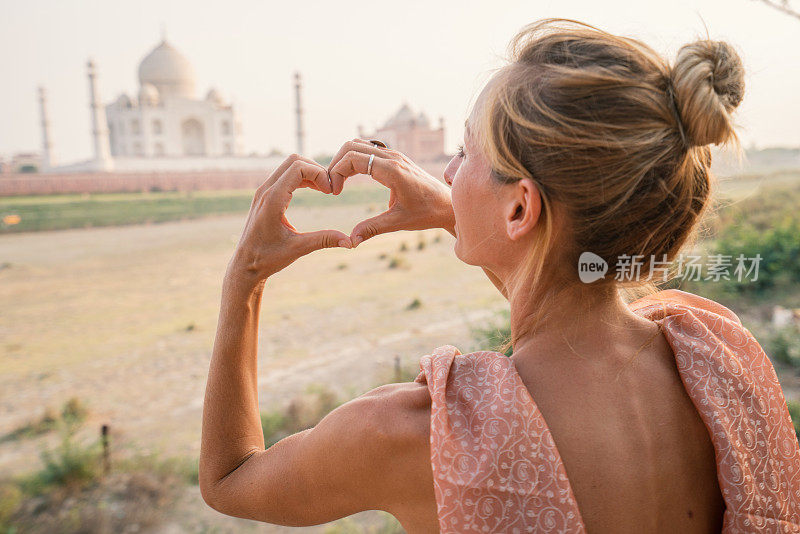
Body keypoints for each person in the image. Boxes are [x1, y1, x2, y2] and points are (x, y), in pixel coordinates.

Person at [199, 18, 800, 533]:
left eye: (463, 154)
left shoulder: (422, 440)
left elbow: (231, 479)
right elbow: (559, 288)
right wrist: (455, 210)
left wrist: (244, 280)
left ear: (520, 208)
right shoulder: (719, 359)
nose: (449, 172)